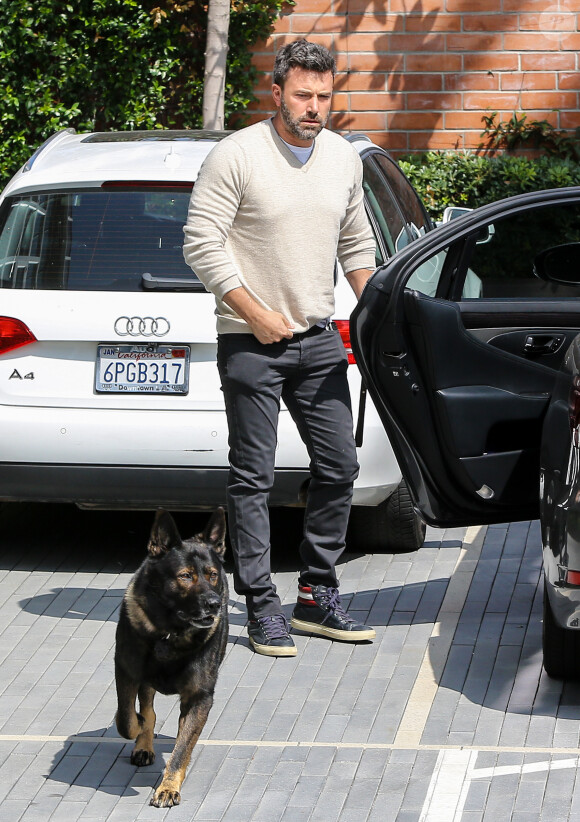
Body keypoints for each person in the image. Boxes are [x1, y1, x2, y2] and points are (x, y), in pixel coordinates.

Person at [183, 38, 377, 657]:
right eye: (303, 95)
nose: (315, 107)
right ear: (277, 93)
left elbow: (356, 241)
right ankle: (261, 605)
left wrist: (373, 307)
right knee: (254, 477)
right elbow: (201, 242)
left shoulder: (343, 158)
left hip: (318, 341)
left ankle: (317, 594)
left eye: (325, 96)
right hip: (251, 341)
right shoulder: (236, 155)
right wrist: (254, 311)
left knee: (341, 466)